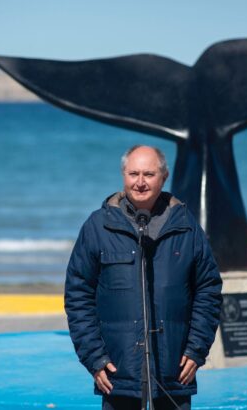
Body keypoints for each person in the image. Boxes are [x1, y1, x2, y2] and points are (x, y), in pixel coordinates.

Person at [64, 145, 222, 409]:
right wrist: (94, 358)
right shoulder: (97, 226)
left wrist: (196, 350)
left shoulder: (186, 226)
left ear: (164, 177)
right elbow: (78, 294)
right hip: (117, 375)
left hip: (174, 373)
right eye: (133, 174)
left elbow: (208, 290)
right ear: (123, 175)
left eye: (148, 174)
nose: (139, 182)